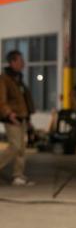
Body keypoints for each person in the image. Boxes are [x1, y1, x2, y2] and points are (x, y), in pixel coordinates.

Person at [0, 50, 35, 186]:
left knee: (21, 149)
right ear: (12, 62)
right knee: (14, 146)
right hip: (12, 117)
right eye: (20, 61)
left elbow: (25, 100)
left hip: (22, 117)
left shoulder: (18, 79)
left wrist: (29, 118)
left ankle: (18, 175)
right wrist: (9, 113)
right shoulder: (4, 79)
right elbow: (1, 99)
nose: (23, 63)